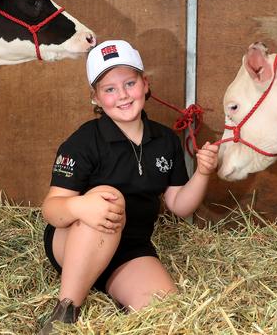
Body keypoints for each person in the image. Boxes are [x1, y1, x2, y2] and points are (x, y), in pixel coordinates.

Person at [39, 40, 219, 334]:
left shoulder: (164, 140)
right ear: (95, 98)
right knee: (108, 199)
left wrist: (203, 173)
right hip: (75, 243)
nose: (122, 95)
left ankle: (111, 285)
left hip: (129, 249)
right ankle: (66, 309)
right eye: (109, 89)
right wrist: (80, 206)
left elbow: (179, 204)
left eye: (129, 83)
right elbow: (52, 209)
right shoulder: (83, 142)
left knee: (166, 314)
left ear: (145, 84)